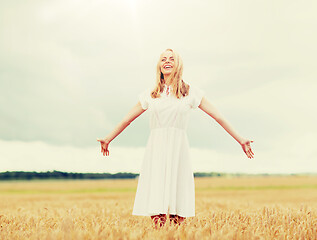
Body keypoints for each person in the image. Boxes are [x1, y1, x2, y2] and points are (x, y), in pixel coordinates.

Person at [97, 48, 254, 228]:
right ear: (159, 65)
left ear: (178, 64)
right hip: (156, 149)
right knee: (157, 204)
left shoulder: (190, 92)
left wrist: (240, 139)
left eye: (171, 58)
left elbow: (218, 117)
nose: (167, 61)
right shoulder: (151, 93)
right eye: (163, 59)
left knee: (178, 205)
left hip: (178, 149)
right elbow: (127, 119)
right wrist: (108, 138)